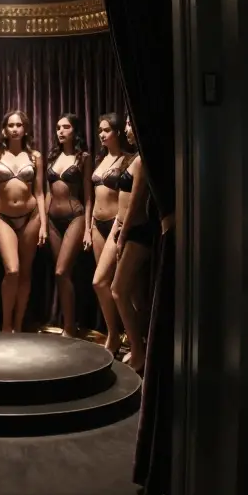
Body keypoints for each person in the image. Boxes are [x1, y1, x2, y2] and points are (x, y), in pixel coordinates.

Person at [0, 110, 47, 334]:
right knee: (12, 270)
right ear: (4, 129)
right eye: (10, 125)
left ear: (25, 129)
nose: (14, 129)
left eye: (19, 125)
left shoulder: (35, 157)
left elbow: (40, 192)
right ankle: (5, 325)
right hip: (2, 217)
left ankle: (19, 325)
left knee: (25, 273)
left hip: (31, 216)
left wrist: (43, 224)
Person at [110, 114, 154, 372]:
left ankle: (138, 349)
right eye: (126, 124)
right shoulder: (136, 159)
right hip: (127, 229)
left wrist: (122, 235)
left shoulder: (142, 162)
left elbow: (137, 203)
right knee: (136, 295)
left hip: (137, 231)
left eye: (130, 124)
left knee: (118, 290)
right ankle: (145, 346)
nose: (127, 129)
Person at [44, 113, 93, 337]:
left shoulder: (84, 157)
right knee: (61, 274)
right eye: (58, 127)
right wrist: (43, 223)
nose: (60, 131)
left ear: (75, 130)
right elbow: (47, 193)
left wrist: (89, 230)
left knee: (62, 271)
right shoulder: (52, 157)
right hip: (53, 221)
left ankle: (70, 326)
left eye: (65, 127)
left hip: (76, 217)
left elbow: (89, 195)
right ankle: (69, 324)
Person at [89, 112, 132, 356]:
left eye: (106, 130)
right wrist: (89, 226)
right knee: (102, 283)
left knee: (121, 285)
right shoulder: (99, 159)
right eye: (100, 130)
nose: (102, 134)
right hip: (97, 223)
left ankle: (133, 336)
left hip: (116, 225)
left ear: (117, 132)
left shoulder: (128, 160)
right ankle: (113, 333)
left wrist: (120, 227)